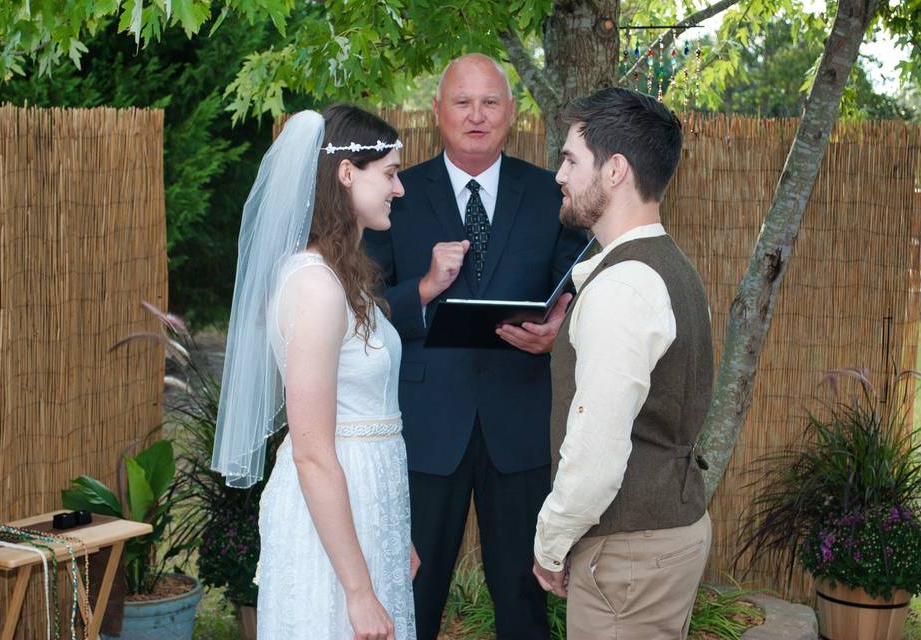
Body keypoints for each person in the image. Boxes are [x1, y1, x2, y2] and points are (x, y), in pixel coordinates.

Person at [364, 53, 586, 639]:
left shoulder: (550, 195)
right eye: (462, 102)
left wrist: (560, 333)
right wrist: (423, 288)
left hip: (519, 422)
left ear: (512, 114)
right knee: (414, 590)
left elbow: (582, 288)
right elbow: (361, 311)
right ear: (436, 112)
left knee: (522, 595)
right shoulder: (395, 195)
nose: (477, 115)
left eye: (490, 102)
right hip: (425, 426)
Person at [212, 104, 418, 639]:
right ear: (347, 172)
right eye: (390, 174)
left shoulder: (344, 275)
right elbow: (311, 450)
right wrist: (358, 590)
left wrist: (396, 533)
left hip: (367, 501)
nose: (399, 189)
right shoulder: (315, 286)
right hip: (331, 502)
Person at [532, 87, 713, 639]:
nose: (559, 175)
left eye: (569, 160)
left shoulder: (624, 288)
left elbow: (597, 449)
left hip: (631, 551)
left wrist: (550, 543)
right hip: (662, 538)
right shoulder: (671, 269)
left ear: (614, 171)